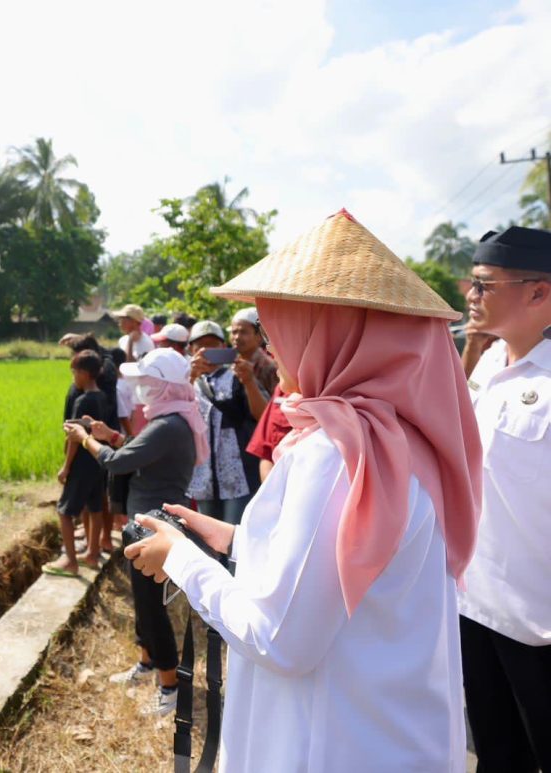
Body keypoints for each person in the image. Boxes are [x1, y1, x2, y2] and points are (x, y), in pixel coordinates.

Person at [124, 209, 482, 772]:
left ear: (328, 333)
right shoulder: (401, 440)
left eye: (279, 330)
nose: (273, 348)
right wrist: (234, 540)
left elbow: (279, 640)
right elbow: (347, 564)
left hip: (327, 743)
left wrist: (184, 564)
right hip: (391, 736)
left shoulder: (337, 455)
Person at [63, 347, 208, 717]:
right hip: (144, 523)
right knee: (143, 605)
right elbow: (135, 452)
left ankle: (170, 687)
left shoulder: (168, 425)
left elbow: (116, 462)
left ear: (161, 387)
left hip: (153, 528)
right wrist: (112, 435)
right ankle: (147, 664)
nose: (140, 389)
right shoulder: (173, 420)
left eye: (146, 382)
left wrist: (85, 439)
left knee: (152, 609)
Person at [457, 225, 551, 773]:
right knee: (497, 754)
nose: (470, 295)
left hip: (539, 620)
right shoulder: (490, 366)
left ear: (539, 292)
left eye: (484, 284)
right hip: (478, 604)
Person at [187, 320, 266, 525]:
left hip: (238, 476)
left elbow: (263, 416)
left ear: (224, 348)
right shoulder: (185, 380)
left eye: (214, 345)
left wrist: (249, 383)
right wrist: (189, 378)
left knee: (233, 537)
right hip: (203, 475)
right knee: (207, 539)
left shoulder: (239, 376)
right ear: (191, 349)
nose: (208, 351)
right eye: (201, 346)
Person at [47, 350, 110, 577]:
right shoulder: (102, 397)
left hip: (82, 463)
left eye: (74, 372)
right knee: (95, 507)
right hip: (97, 462)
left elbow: (75, 437)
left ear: (84, 373)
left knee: (64, 511)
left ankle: (70, 562)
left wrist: (65, 467)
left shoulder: (83, 400)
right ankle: (92, 554)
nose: (73, 377)